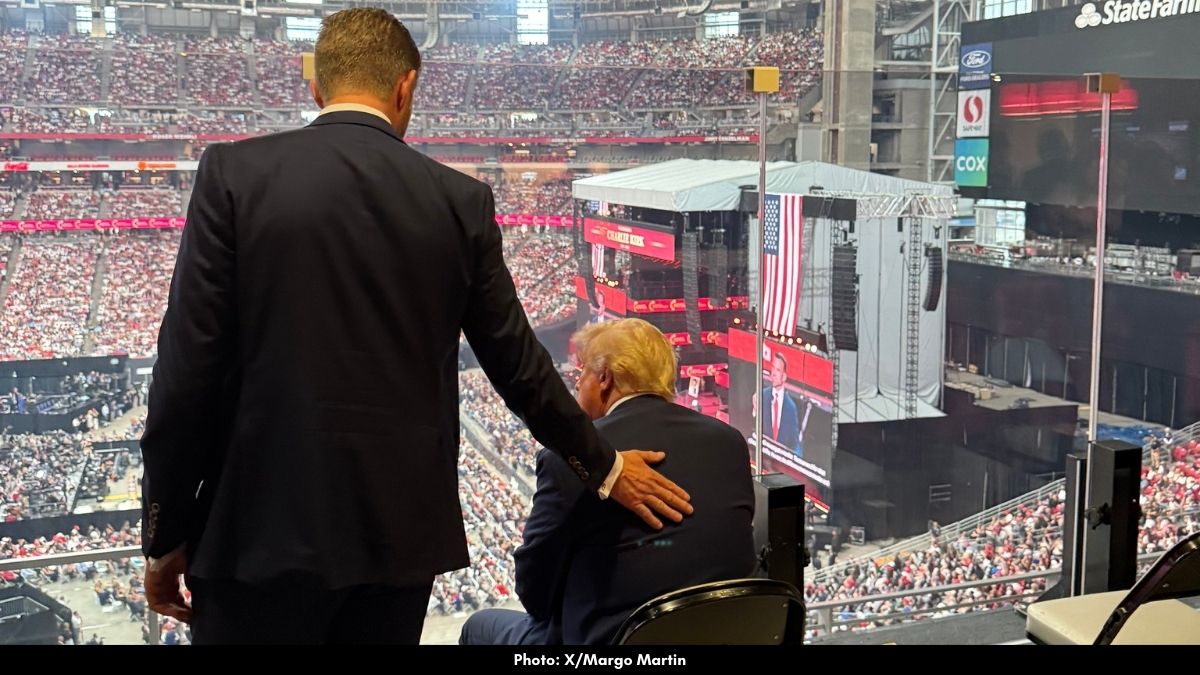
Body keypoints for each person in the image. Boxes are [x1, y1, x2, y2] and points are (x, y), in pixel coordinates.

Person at [140, 9, 691, 645]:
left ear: (316, 86)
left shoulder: (232, 175)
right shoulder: (459, 202)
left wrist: (166, 532)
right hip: (395, 539)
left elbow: (185, 373)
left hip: (255, 534)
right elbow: (518, 365)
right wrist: (605, 467)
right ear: (406, 87)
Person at [459, 319, 755, 645]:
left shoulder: (572, 458)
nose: (576, 387)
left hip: (608, 645)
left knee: (479, 626)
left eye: (580, 374)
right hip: (718, 635)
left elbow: (535, 595)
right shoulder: (730, 443)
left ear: (604, 378)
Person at [754, 352, 801, 455]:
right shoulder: (761, 396)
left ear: (784, 376)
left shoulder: (790, 407)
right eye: (773, 368)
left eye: (778, 370)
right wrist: (755, 409)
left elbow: (794, 443)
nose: (773, 373)